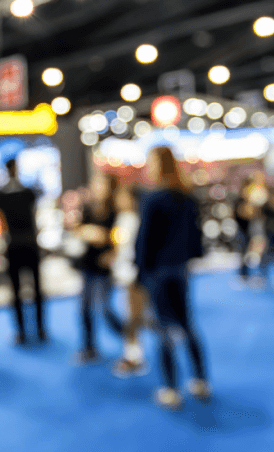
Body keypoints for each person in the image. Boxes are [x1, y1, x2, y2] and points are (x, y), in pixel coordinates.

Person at [134, 146, 209, 410]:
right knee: (187, 324)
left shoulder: (153, 198)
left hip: (159, 271)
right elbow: (196, 236)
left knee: (164, 329)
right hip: (181, 268)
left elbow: (144, 240)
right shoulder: (186, 196)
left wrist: (140, 271)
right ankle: (200, 380)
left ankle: (170, 388)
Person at [73, 171, 125, 364]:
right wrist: (87, 232)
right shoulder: (88, 207)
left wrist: (109, 245)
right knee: (84, 308)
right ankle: (88, 347)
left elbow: (118, 237)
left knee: (105, 309)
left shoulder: (116, 210)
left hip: (106, 267)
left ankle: (129, 337)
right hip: (88, 264)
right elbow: (78, 229)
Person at [0, 158, 47, 345]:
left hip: (19, 244)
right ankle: (31, 330)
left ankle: (32, 330)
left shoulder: (7, 194)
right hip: (24, 244)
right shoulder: (24, 193)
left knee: (30, 290)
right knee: (27, 290)